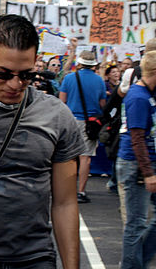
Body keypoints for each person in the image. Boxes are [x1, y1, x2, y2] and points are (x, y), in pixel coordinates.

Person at [0, 14, 83, 268]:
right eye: (3, 74)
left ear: (35, 62)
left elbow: (65, 202)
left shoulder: (56, 116)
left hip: (35, 257)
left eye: (26, 75)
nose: (15, 84)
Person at [116, 50, 156, 269]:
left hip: (142, 163)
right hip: (136, 165)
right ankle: (133, 266)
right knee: (136, 224)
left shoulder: (146, 93)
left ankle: (138, 262)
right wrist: (148, 173)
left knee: (139, 223)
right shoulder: (139, 97)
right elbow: (137, 138)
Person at [59, 50, 107, 204]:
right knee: (85, 158)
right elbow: (102, 104)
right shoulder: (99, 80)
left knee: (69, 157)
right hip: (90, 122)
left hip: (71, 120)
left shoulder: (69, 78)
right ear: (93, 65)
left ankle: (67, 189)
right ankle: (81, 191)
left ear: (79, 63)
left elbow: (62, 101)